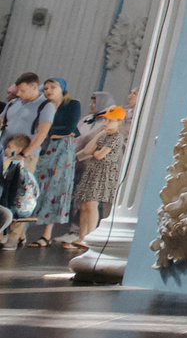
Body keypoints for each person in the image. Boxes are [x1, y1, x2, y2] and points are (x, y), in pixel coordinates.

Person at [27, 79, 79, 248]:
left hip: (63, 148)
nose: (48, 90)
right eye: (46, 88)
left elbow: (70, 128)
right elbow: (36, 128)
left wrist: (48, 131)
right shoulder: (44, 107)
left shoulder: (72, 104)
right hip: (45, 147)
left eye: (53, 87)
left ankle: (46, 234)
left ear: (62, 89)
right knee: (35, 184)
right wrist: (50, 132)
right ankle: (22, 231)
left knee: (56, 187)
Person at [71, 102, 128, 250]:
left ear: (118, 122)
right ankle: (81, 236)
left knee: (92, 204)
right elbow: (89, 149)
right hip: (93, 170)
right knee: (85, 204)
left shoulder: (117, 138)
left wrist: (95, 152)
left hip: (104, 173)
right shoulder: (103, 136)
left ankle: (90, 236)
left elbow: (99, 155)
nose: (106, 123)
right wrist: (99, 135)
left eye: (110, 120)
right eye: (105, 120)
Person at [0, 134, 34, 248]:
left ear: (18, 150)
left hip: (13, 197)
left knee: (11, 216)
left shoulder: (17, 165)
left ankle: (13, 238)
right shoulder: (8, 161)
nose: (6, 149)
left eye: (9, 147)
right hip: (8, 195)